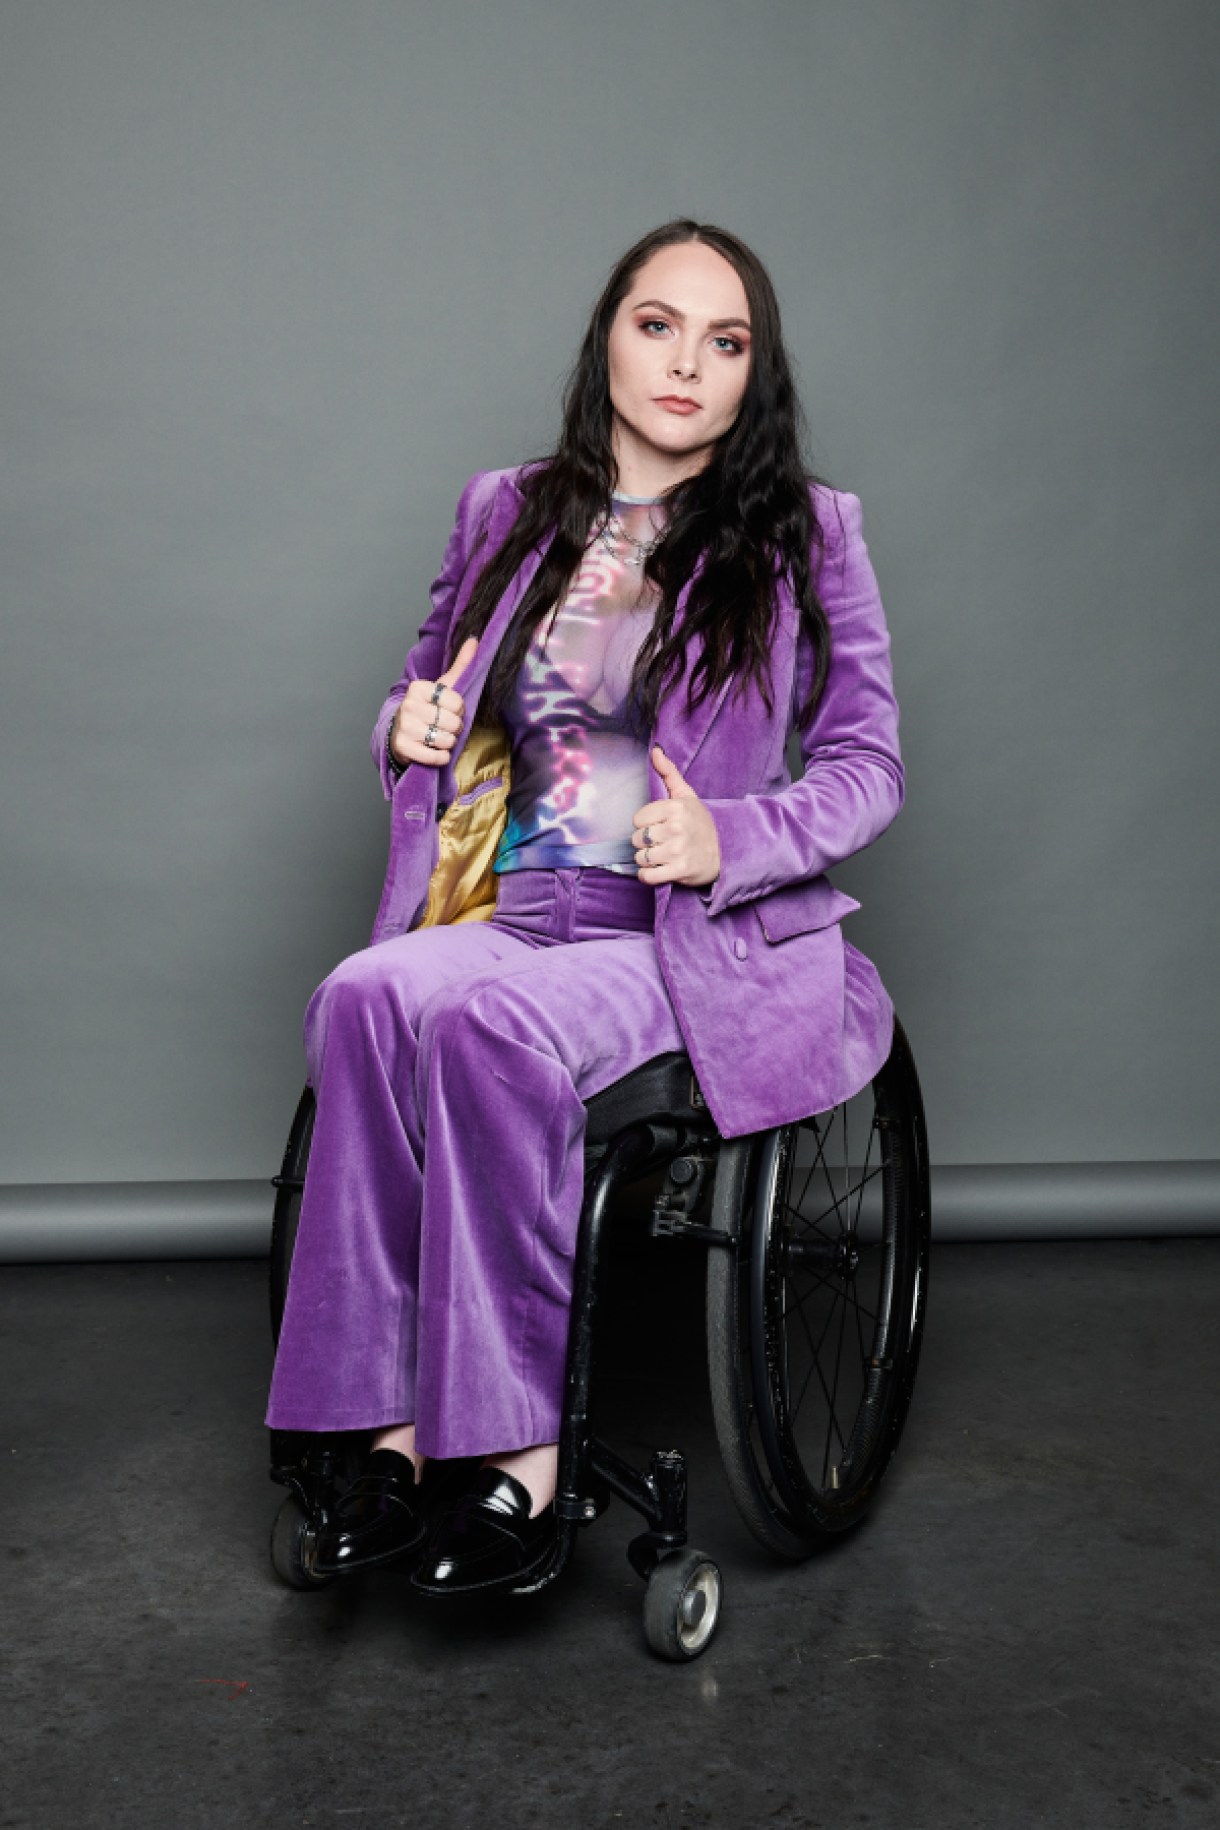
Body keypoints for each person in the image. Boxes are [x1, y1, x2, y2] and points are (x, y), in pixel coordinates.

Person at [264, 218, 904, 1598]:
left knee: (491, 1022)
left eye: (724, 342)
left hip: (671, 938)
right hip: (514, 898)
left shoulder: (807, 534)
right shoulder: (507, 506)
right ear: (607, 332)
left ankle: (514, 1464)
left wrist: (723, 832)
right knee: (363, 994)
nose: (685, 364)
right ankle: (381, 1438)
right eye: (657, 324)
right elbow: (423, 679)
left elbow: (869, 766)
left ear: (755, 373)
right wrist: (406, 719)